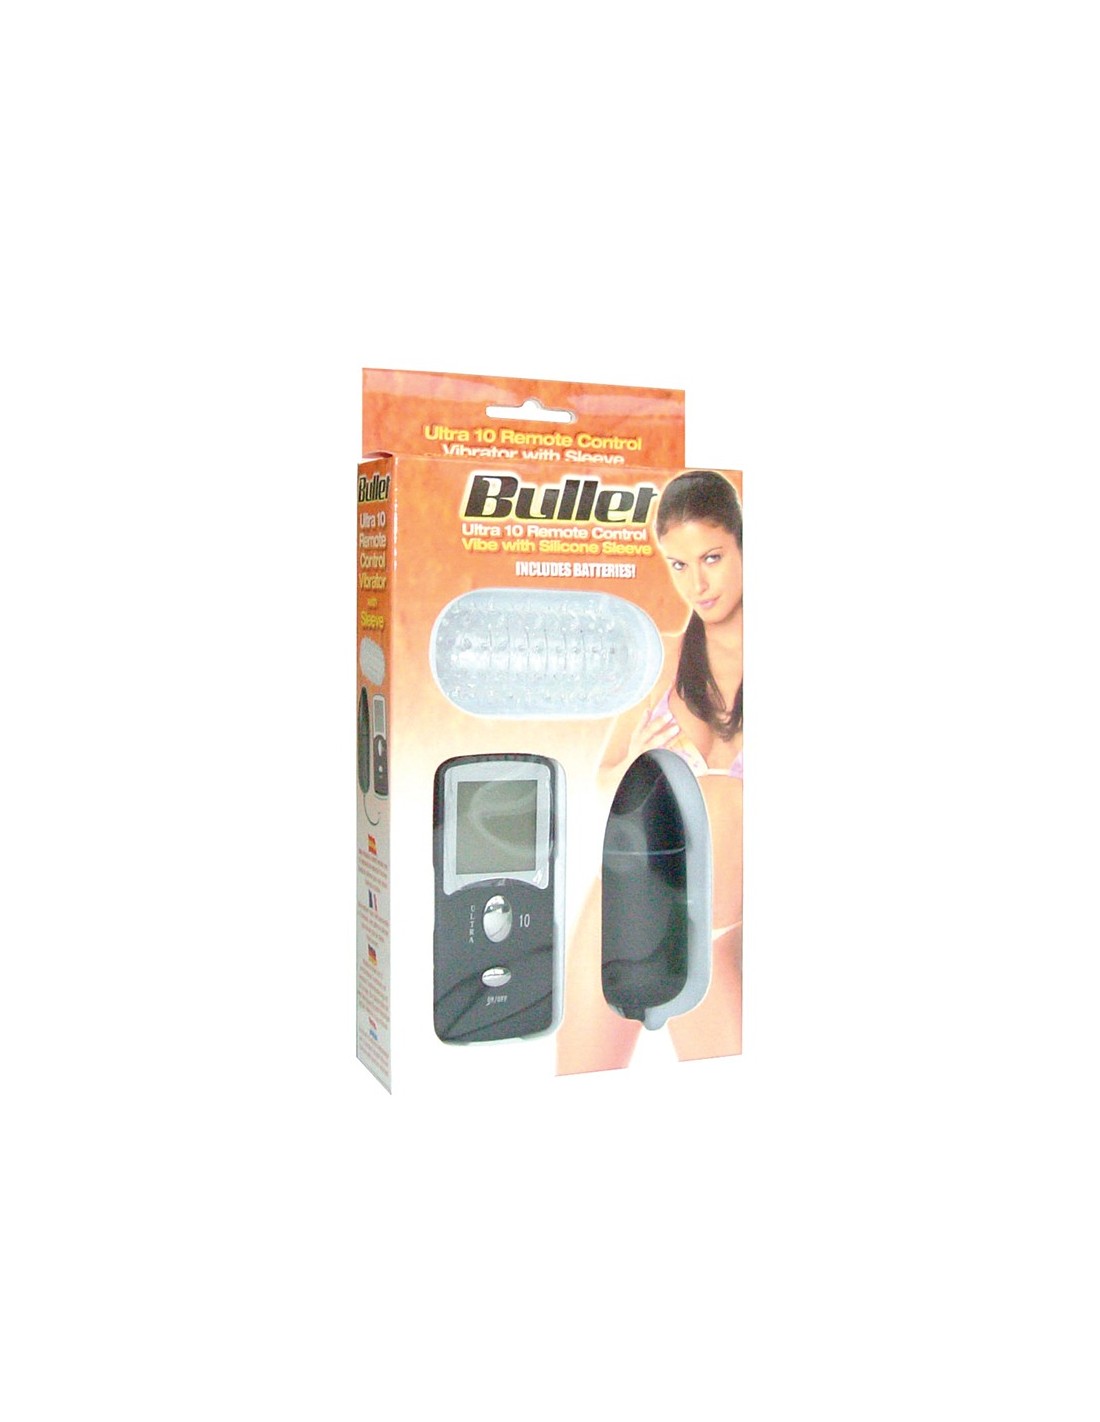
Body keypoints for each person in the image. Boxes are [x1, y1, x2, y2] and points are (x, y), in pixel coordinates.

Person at [557, 470, 743, 1071]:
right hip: (632, 904)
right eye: (679, 565)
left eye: (712, 558)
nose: (698, 584)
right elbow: (602, 786)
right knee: (580, 1081)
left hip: (736, 926)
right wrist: (633, 764)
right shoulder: (658, 659)